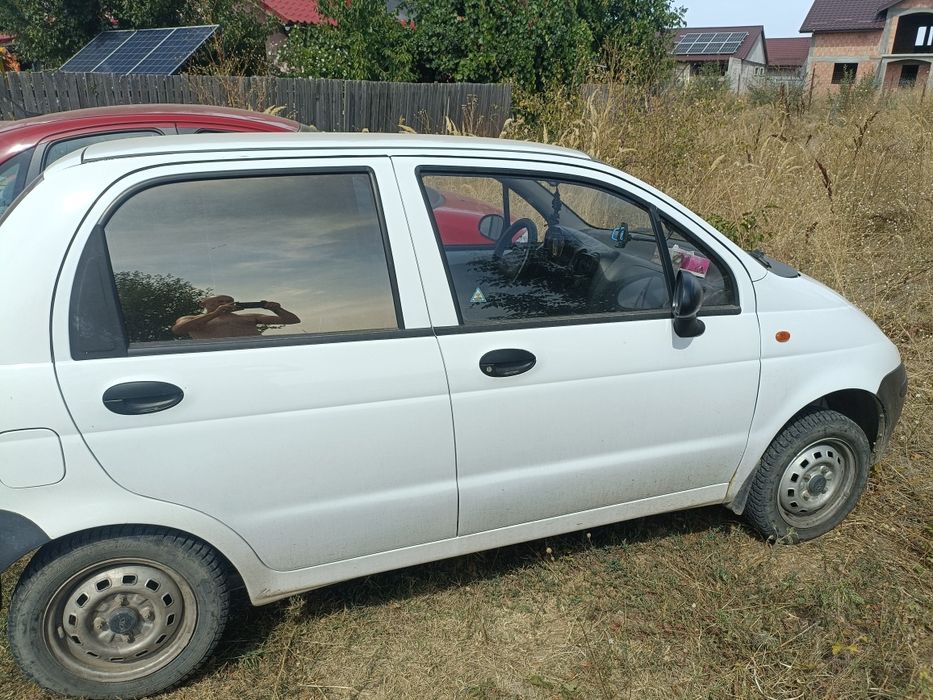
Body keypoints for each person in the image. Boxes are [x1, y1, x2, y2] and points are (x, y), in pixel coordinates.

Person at [172, 295, 301, 339]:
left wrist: (277, 309)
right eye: (220, 301)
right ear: (204, 304)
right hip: (213, 358)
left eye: (229, 301)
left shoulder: (250, 317)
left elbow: (293, 320)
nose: (225, 303)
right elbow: (179, 330)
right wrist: (215, 314)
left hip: (256, 355)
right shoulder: (189, 318)